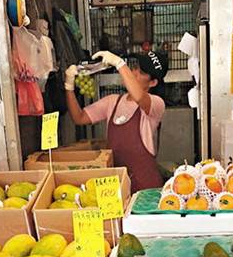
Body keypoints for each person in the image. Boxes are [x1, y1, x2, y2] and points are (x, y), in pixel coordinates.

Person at [64, 49, 167, 191]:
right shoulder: (112, 102)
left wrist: (119, 63)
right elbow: (79, 117)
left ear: (153, 82)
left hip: (146, 191)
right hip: (117, 188)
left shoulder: (156, 104)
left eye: (142, 72)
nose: (134, 72)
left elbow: (139, 97)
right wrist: (68, 87)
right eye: (135, 68)